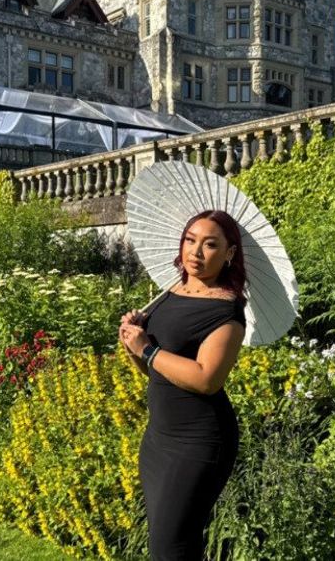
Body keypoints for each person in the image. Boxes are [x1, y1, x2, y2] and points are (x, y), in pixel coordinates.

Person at [118, 210, 247, 560]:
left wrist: (147, 348)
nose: (196, 252)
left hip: (199, 442)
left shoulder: (227, 312)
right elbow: (157, 370)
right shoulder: (172, 291)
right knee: (168, 542)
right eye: (190, 240)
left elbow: (207, 379)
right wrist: (133, 343)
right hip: (159, 438)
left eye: (210, 244)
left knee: (171, 547)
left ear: (229, 253)